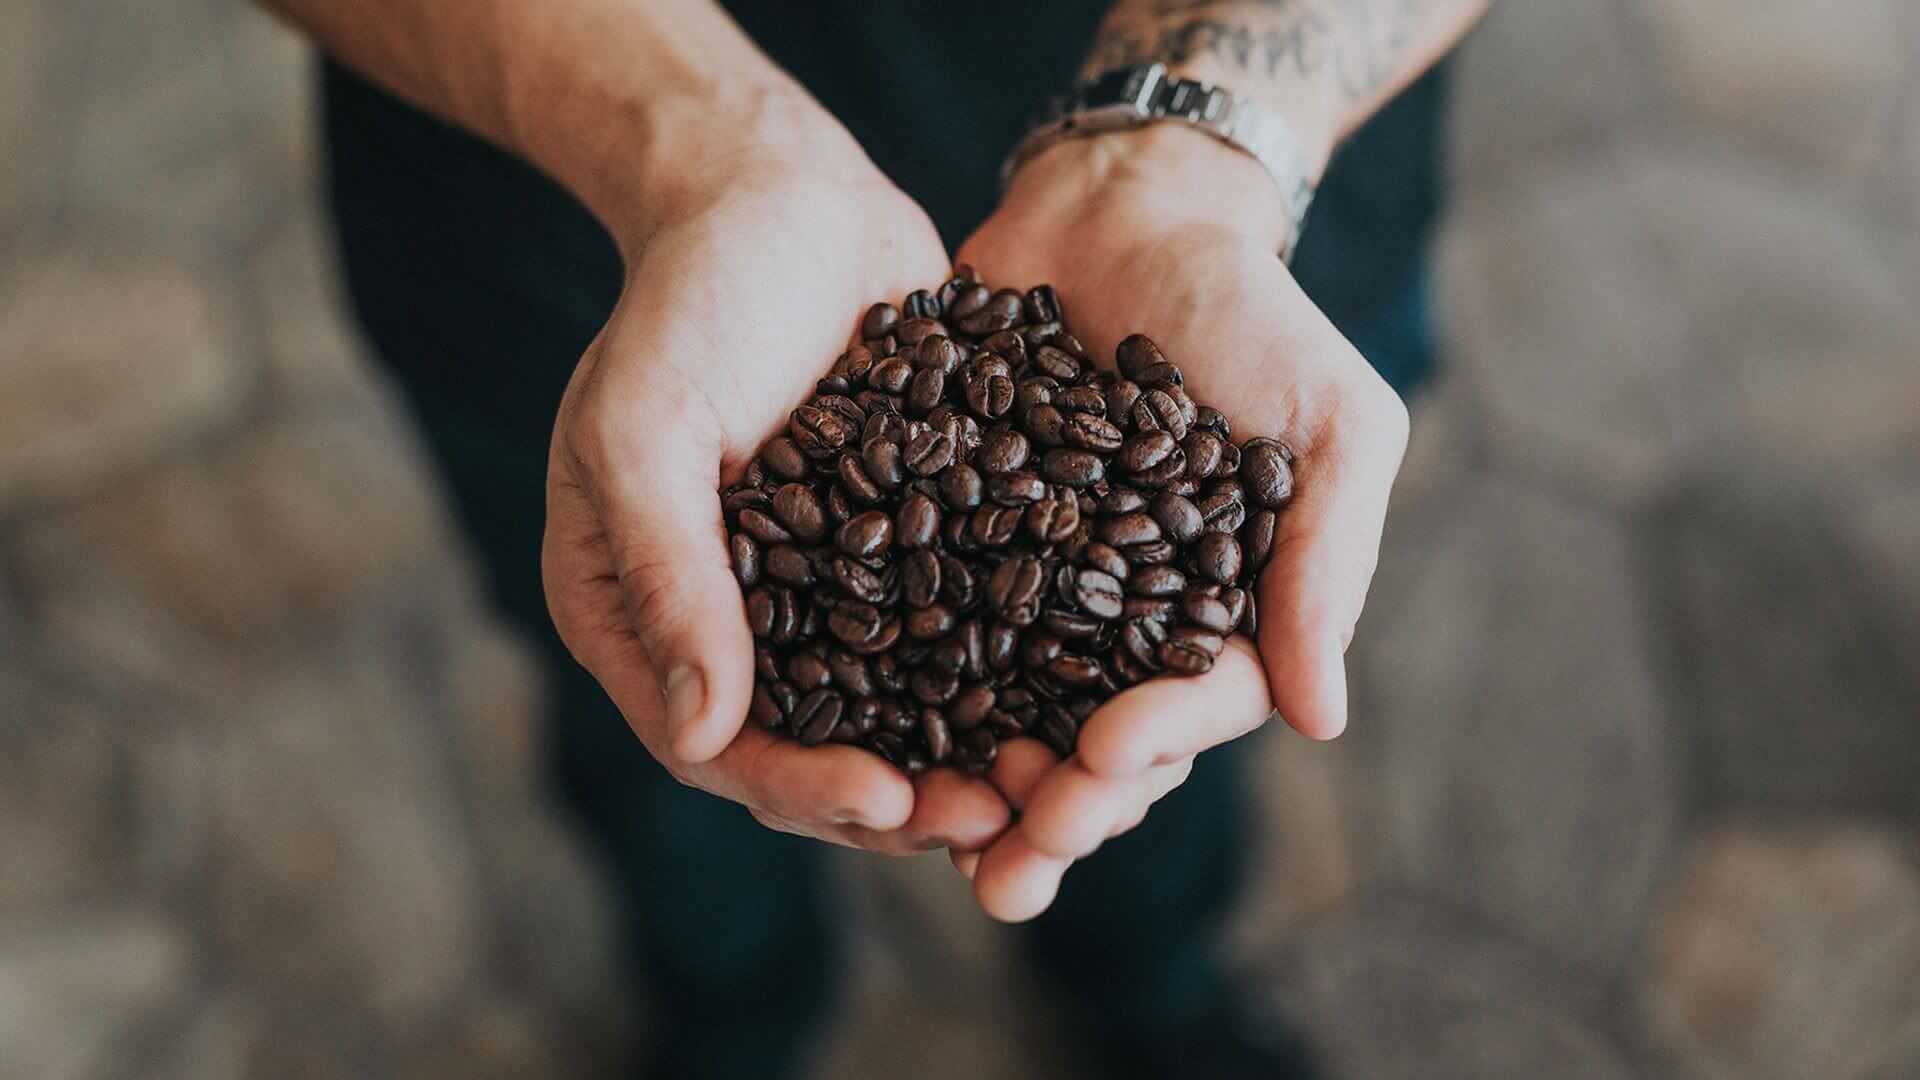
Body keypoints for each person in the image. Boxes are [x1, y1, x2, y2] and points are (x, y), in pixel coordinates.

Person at [263, 1, 1485, 1075]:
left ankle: (1151, 991)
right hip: (573, 186)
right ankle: (730, 1019)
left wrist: (1200, 145)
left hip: (1240, 206)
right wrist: (694, 145)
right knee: (671, 694)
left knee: (1167, 739)